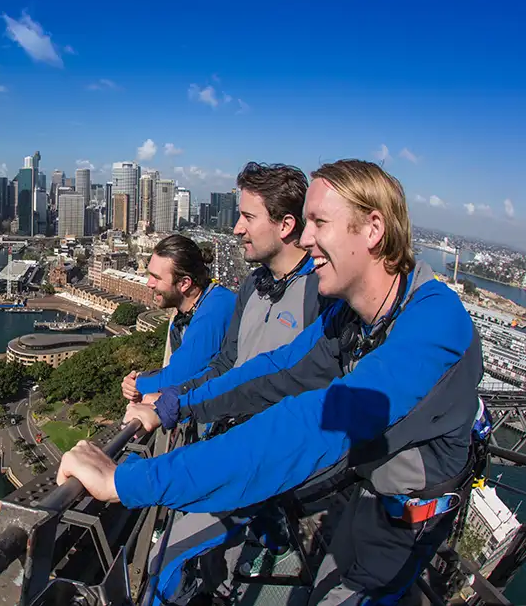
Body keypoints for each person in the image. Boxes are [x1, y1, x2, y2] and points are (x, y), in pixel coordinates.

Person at [58, 159, 483, 605]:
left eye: (319, 222)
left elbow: (310, 424)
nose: (306, 237)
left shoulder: (434, 326)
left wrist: (126, 481)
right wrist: (174, 407)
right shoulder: (348, 318)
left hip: (398, 536)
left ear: (373, 229)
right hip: (354, 504)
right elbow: (270, 373)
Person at [123, 162, 321, 408]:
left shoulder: (319, 290)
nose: (238, 228)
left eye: (248, 217)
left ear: (286, 225)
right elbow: (225, 366)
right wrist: (176, 399)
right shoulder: (253, 285)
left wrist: (152, 389)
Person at [119, 234, 236, 396]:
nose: (149, 283)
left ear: (185, 283)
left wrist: (137, 383)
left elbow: (179, 377)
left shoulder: (213, 312)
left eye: (156, 278)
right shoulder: (193, 309)